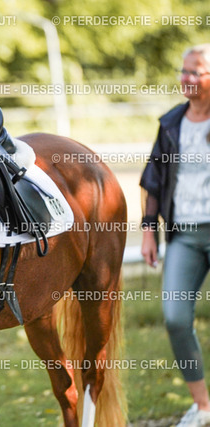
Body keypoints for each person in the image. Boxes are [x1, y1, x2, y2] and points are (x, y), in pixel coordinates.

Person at [141, 43, 210, 426]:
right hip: (184, 234)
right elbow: (153, 181)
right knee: (175, 318)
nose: (186, 78)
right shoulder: (171, 123)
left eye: (194, 71)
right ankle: (202, 406)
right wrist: (149, 230)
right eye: (183, 70)